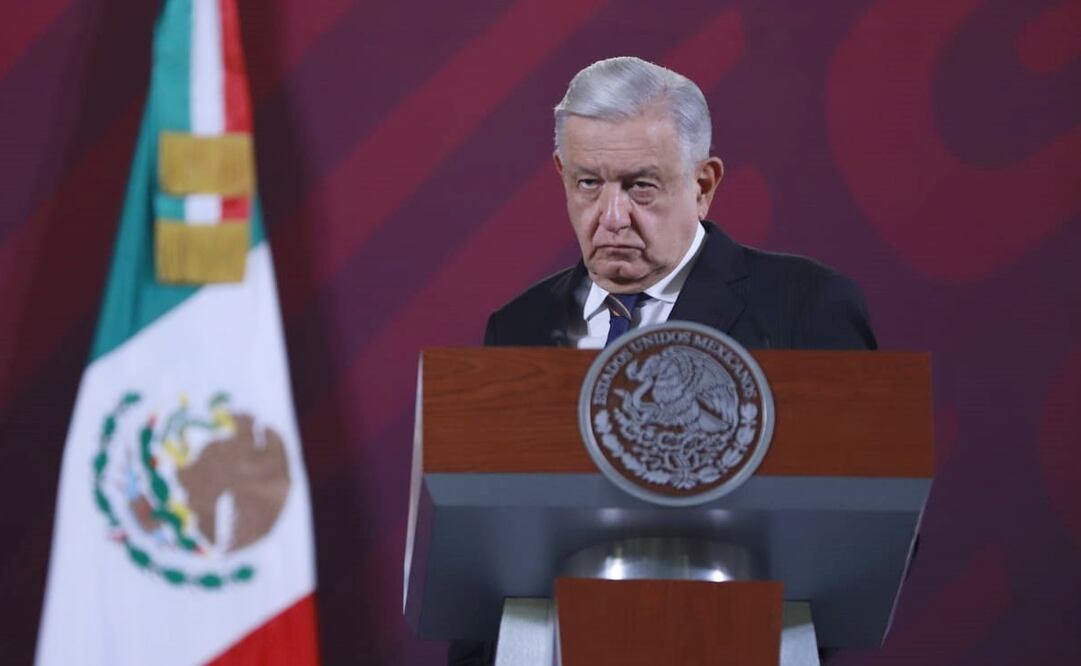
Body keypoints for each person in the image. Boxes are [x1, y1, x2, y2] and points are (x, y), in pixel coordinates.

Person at [484, 56, 876, 351]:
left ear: (703, 186)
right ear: (562, 175)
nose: (613, 218)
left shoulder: (806, 309)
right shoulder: (517, 328)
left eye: (640, 186)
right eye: (588, 183)